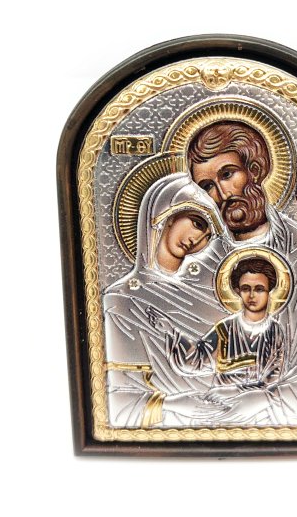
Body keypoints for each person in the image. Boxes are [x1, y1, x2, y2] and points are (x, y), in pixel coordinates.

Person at [187, 121, 297, 425]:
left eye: (228, 174)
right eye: (207, 186)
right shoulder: (202, 258)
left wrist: (263, 399)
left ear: (255, 169)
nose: (222, 193)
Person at [102, 172, 233, 428]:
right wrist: (173, 405)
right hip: (168, 423)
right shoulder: (122, 300)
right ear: (167, 214)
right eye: (197, 223)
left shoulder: (211, 294)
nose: (198, 239)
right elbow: (119, 405)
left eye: (208, 235)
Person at [149, 258, 285, 425]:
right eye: (245, 288)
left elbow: (273, 382)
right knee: (191, 405)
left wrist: (234, 391)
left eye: (259, 289)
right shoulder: (225, 329)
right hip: (219, 402)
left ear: (269, 291)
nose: (251, 295)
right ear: (238, 291)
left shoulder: (274, 332)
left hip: (255, 407)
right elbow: (196, 359)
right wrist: (170, 331)